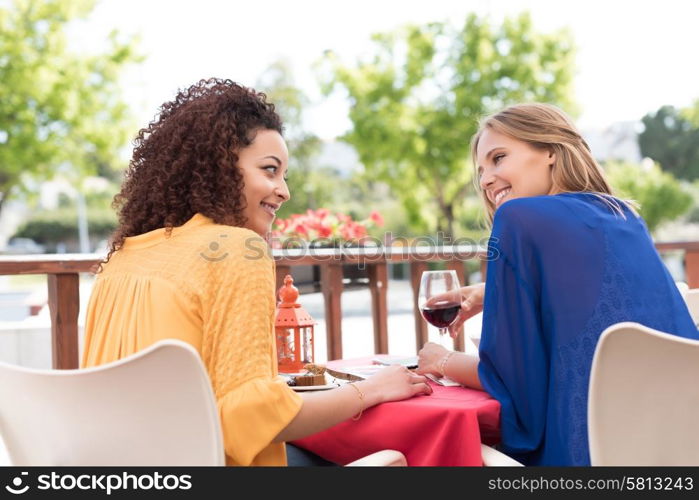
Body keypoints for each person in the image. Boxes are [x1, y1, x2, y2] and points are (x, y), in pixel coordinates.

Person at [81, 78, 432, 467]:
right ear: (218, 167)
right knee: (403, 459)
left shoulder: (122, 259)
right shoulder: (233, 248)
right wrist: (371, 391)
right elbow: (248, 416)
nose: (283, 191)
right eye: (269, 170)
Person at [416, 103, 699, 466]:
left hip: (577, 450)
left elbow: (515, 386)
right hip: (669, 448)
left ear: (550, 150)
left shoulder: (518, 218)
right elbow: (605, 298)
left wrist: (442, 360)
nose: (486, 180)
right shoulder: (622, 215)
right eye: (481, 170)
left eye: (498, 158)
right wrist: (492, 294)